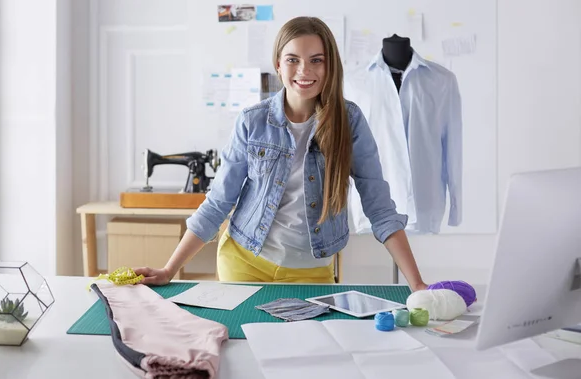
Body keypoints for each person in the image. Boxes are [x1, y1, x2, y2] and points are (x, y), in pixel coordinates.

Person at [134, 16, 428, 291]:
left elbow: (379, 207)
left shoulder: (349, 122)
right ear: (278, 64)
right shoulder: (252, 121)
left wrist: (417, 285)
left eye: (316, 60)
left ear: (330, 66)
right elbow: (218, 203)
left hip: (312, 272)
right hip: (244, 262)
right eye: (293, 60)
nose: (304, 71)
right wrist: (169, 270)